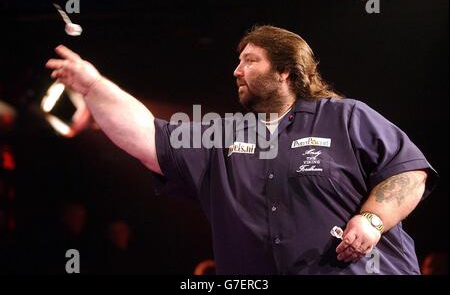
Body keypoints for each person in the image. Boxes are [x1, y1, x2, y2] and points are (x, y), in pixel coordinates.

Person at [46, 25, 438, 274]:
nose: (236, 71)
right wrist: (93, 86)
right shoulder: (222, 137)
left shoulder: (345, 117)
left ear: (285, 70)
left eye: (249, 61)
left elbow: (407, 172)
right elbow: (146, 134)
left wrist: (372, 220)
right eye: (237, 62)